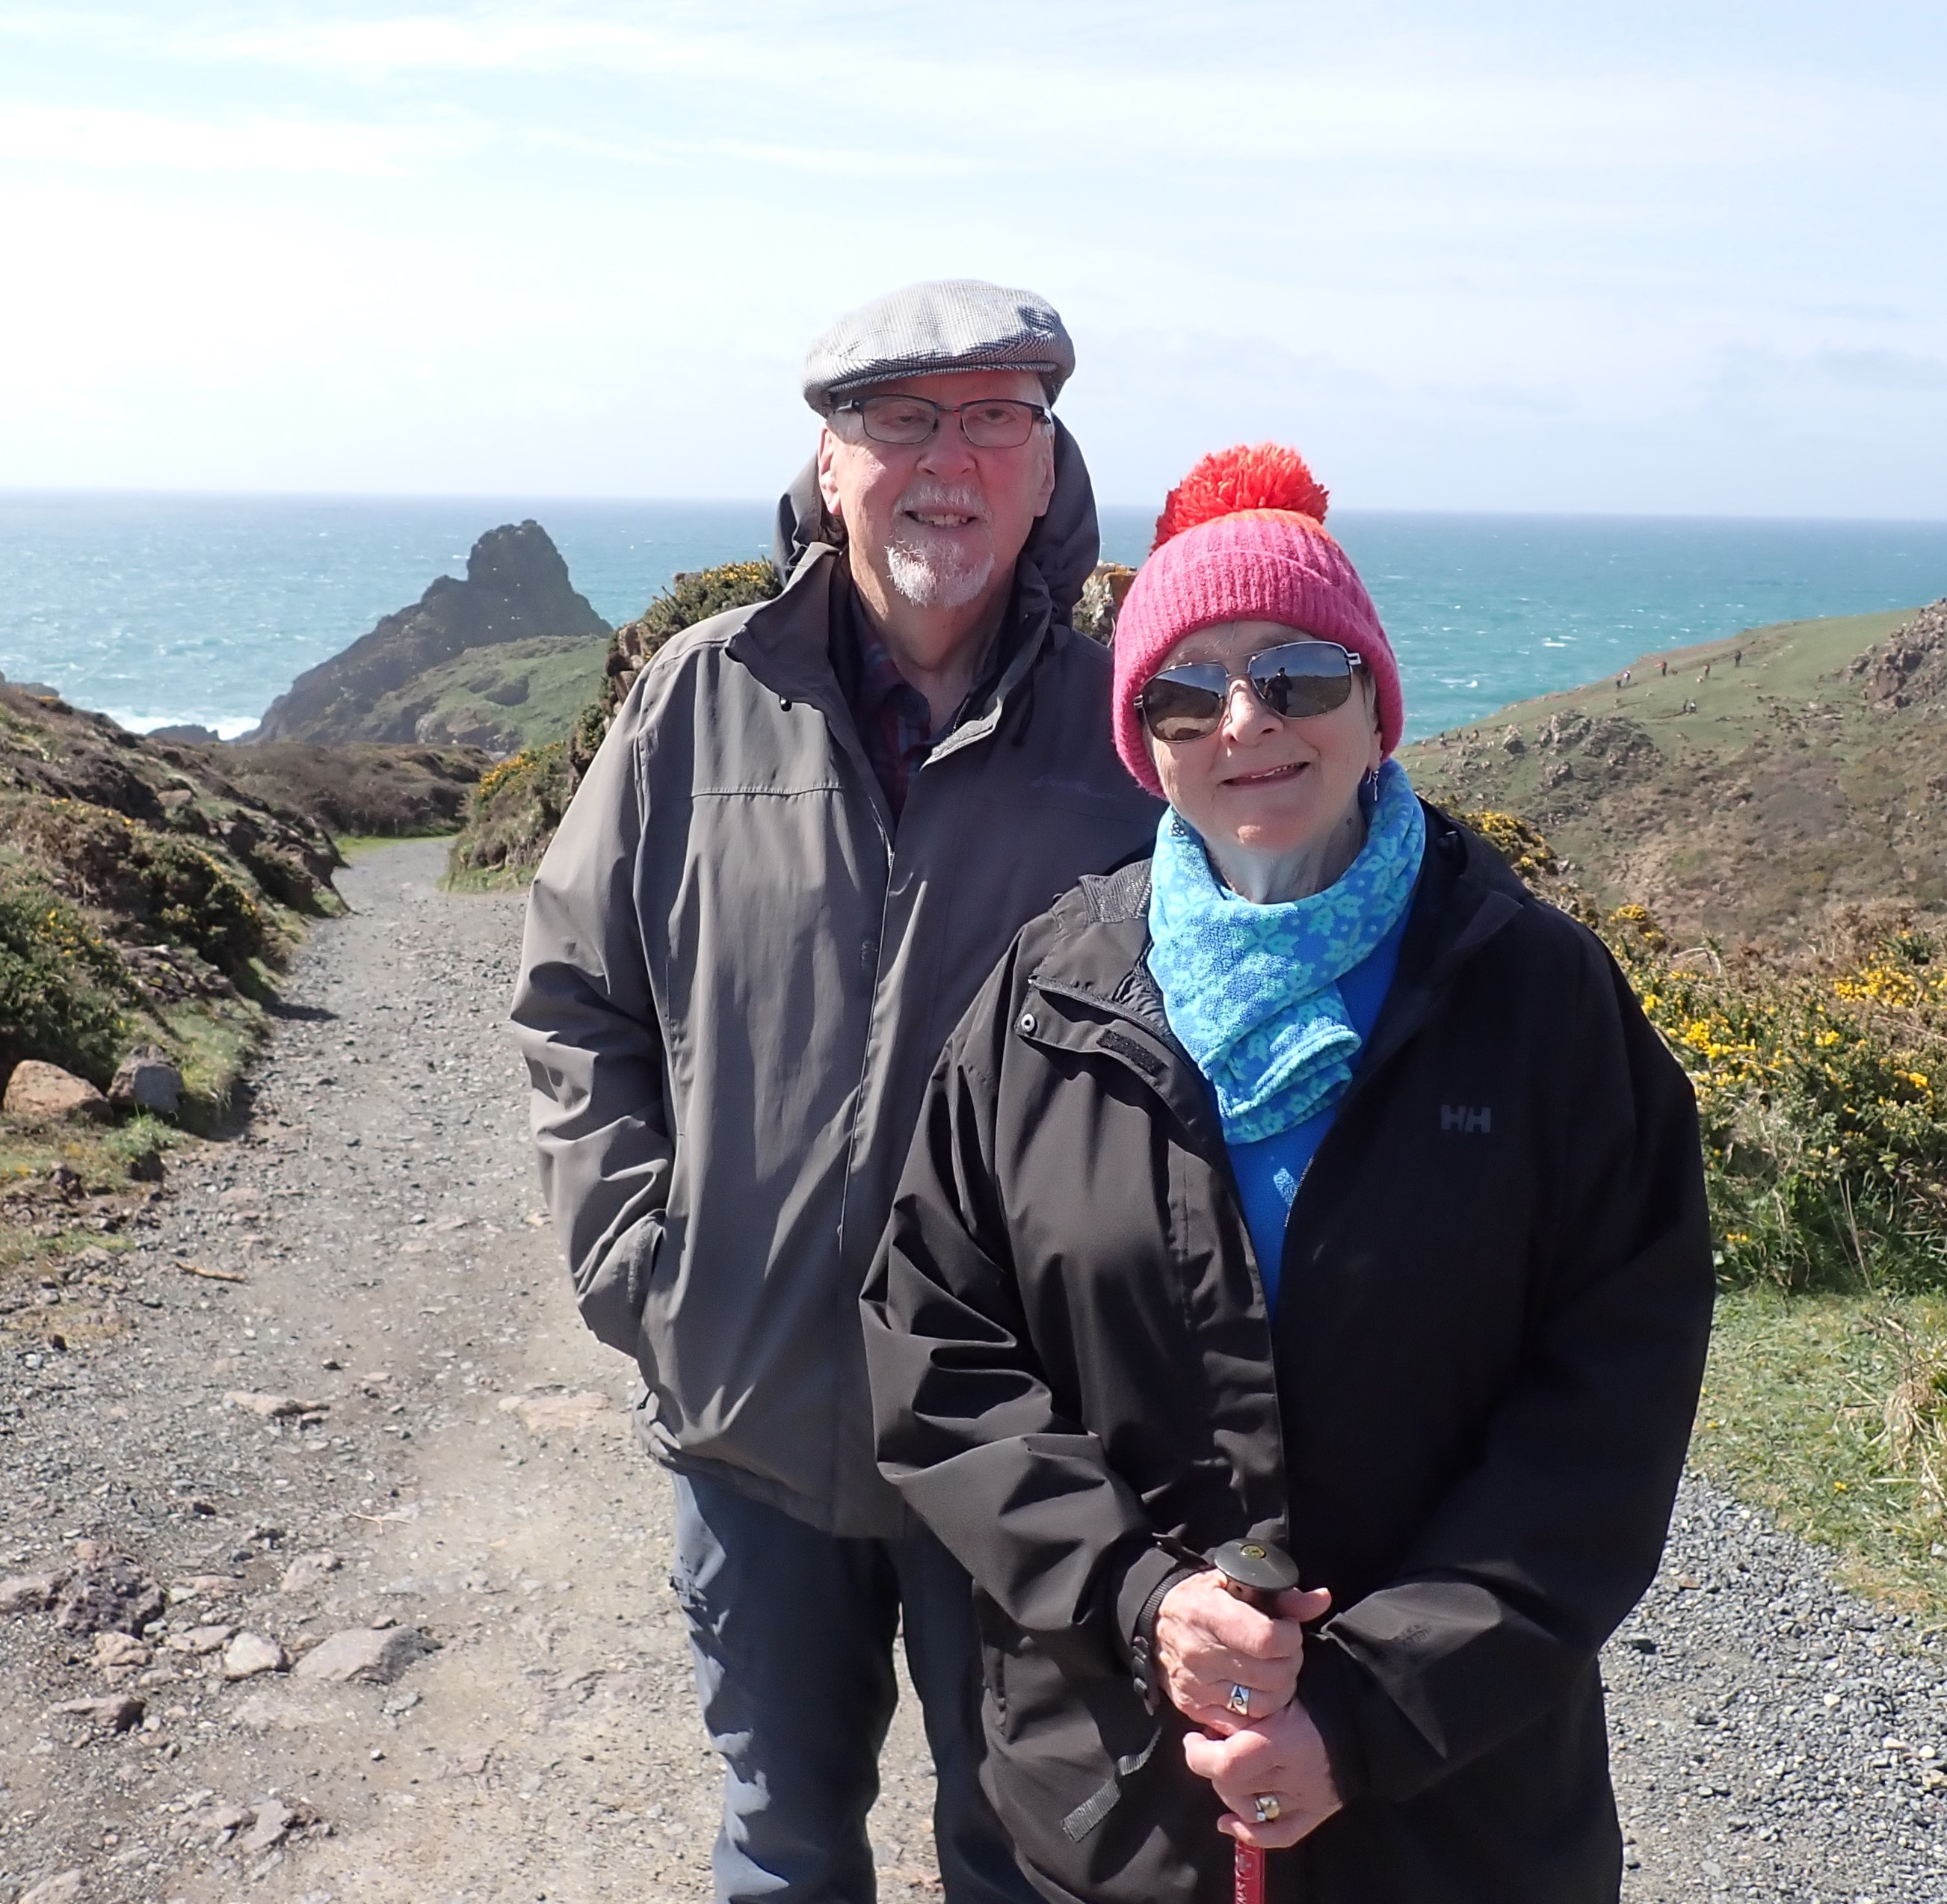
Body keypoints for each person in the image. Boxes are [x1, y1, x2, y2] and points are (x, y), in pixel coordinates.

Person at [863, 443, 1714, 1903]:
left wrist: (1368, 1709)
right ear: (1146, 741)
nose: (1244, 720)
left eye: (1298, 673)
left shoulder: (1538, 999)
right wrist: (1143, 1600)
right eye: (1184, 694)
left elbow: (1608, 1405)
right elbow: (935, 1344)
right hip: (1120, 1809)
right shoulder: (1045, 997)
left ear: (1377, 704)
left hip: (1458, 1813)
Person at [509, 281, 1161, 1903]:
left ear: (1047, 462)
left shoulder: (1122, 735)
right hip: (749, 1414)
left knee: (1021, 1857)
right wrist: (638, 1263)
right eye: (898, 419)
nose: (947, 463)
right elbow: (577, 993)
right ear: (828, 459)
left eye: (995, 418)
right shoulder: (695, 695)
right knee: (784, 1845)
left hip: (1021, 1444)